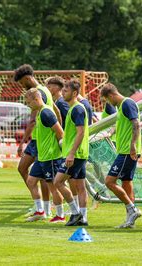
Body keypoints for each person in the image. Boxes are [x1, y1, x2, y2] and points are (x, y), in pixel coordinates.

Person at [14, 64, 60, 217]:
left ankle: (43, 208)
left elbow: (33, 121)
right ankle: (41, 207)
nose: (22, 86)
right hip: (40, 138)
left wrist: (22, 143)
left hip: (41, 139)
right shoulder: (44, 89)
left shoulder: (36, 94)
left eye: (21, 83)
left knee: (42, 176)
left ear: (27, 79)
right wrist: (59, 128)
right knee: (28, 171)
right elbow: (57, 110)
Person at [100, 83, 142, 229]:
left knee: (109, 181)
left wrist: (132, 145)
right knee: (126, 183)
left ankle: (132, 209)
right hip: (125, 150)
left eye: (107, 100)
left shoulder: (127, 103)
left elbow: (136, 124)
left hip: (127, 151)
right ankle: (130, 219)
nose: (108, 103)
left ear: (111, 95)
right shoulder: (121, 106)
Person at [24, 89, 65, 223]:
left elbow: (60, 133)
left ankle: (60, 215)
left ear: (36, 99)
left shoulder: (46, 112)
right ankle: (40, 211)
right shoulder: (40, 112)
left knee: (53, 187)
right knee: (31, 181)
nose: (28, 105)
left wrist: (63, 152)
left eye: (29, 102)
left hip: (51, 157)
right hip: (41, 157)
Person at [53, 79, 90, 226]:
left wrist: (71, 153)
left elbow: (80, 133)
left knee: (58, 181)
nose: (63, 93)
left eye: (66, 91)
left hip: (76, 154)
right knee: (80, 187)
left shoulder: (77, 109)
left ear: (75, 93)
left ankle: (75, 213)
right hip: (79, 154)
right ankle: (84, 218)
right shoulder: (73, 109)